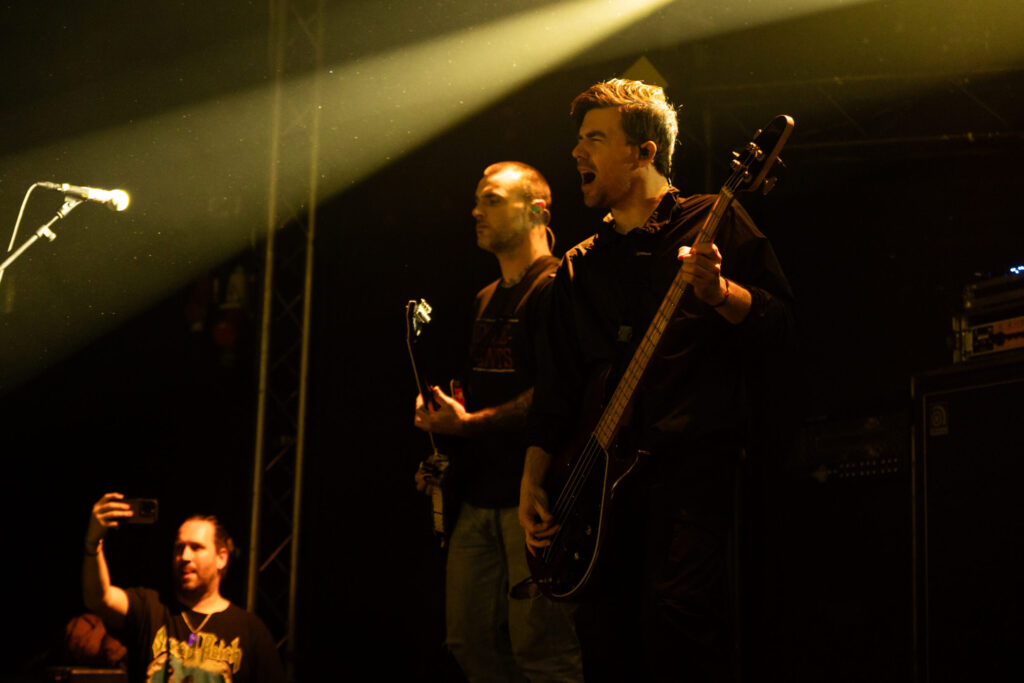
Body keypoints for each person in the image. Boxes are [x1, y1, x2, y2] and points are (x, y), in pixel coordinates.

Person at [518, 79, 795, 681]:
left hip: (689, 475)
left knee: (679, 633)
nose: (576, 153)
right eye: (578, 140)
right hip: (598, 488)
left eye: (594, 138)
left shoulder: (713, 220)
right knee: (605, 639)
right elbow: (557, 388)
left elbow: (781, 326)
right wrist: (532, 482)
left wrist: (721, 293)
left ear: (644, 152)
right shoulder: (577, 266)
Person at [413, 162, 583, 682]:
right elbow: (485, 389)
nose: (476, 211)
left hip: (532, 499)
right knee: (468, 642)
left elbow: (556, 394)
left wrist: (470, 424)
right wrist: (444, 433)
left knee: (542, 650)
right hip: (478, 497)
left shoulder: (556, 287)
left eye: (490, 199)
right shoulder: (486, 297)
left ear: (535, 210)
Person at [82, 492, 285, 682]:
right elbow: (99, 598)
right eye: (179, 548)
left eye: (196, 547)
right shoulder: (150, 608)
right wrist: (93, 545)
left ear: (221, 558)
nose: (185, 557)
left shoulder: (251, 630)